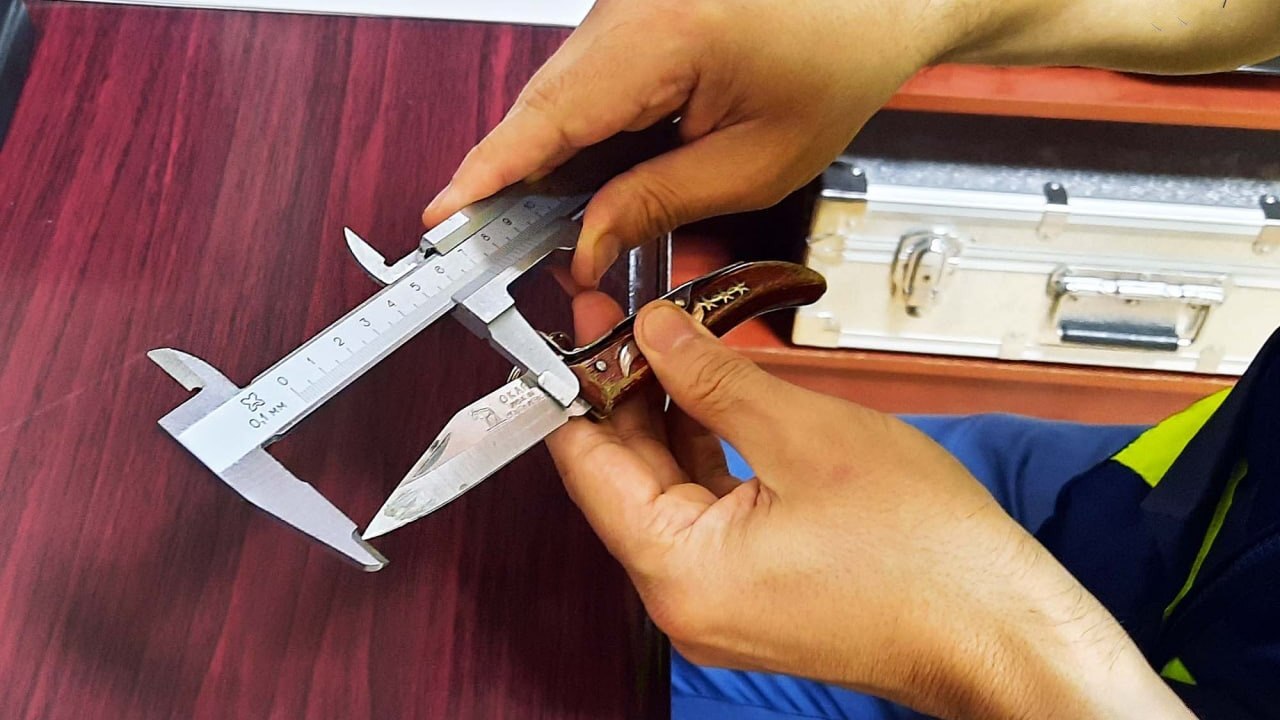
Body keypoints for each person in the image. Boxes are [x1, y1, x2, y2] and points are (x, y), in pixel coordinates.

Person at [423, 2, 1280, 718]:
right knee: (600, 561)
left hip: (1098, 681)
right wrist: (897, 13)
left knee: (550, 649)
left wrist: (992, 652)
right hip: (1165, 486)